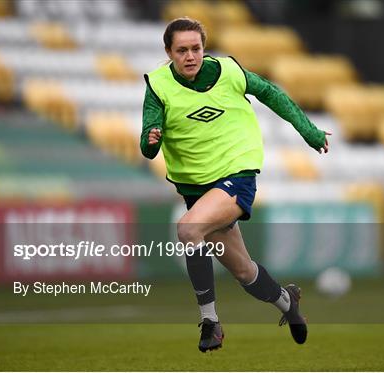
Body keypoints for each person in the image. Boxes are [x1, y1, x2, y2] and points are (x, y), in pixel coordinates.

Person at [141, 17, 330, 352]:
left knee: (188, 230)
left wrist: (309, 131)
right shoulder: (158, 86)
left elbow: (271, 93)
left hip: (236, 175)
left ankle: (210, 322)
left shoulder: (229, 72)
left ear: (204, 48)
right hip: (198, 190)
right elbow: (148, 141)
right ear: (169, 52)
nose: (190, 56)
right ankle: (289, 303)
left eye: (196, 48)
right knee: (245, 273)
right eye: (181, 50)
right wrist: (151, 139)